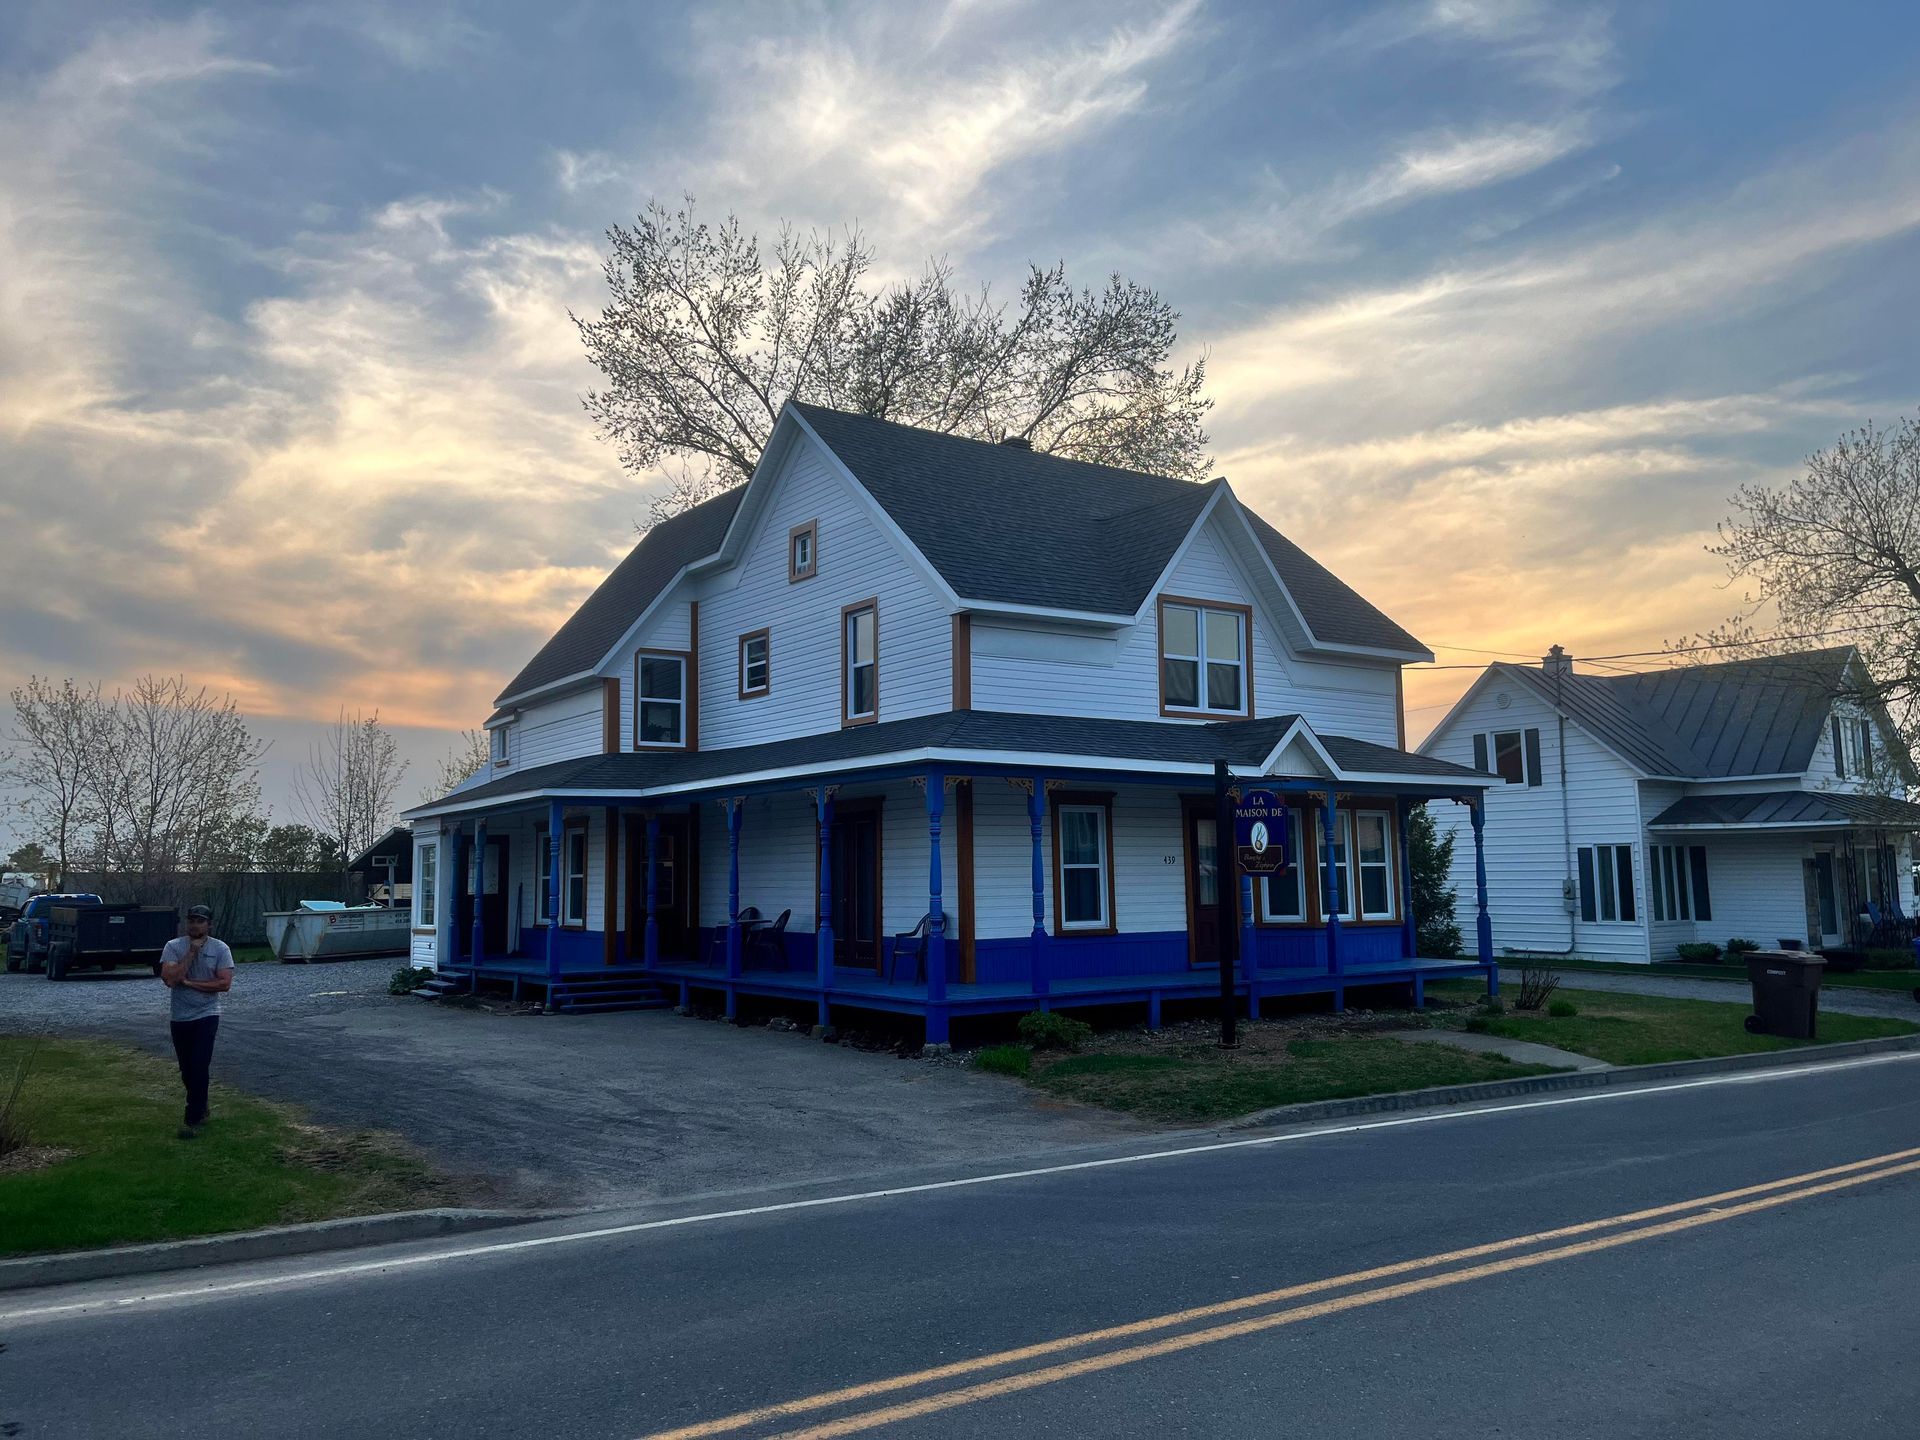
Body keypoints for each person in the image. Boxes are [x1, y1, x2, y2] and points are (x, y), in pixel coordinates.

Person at [158, 904, 234, 1139]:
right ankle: (202, 1105)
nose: (195, 925)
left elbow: (224, 984)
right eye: (192, 920)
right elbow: (170, 980)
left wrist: (191, 984)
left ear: (209, 925)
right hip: (180, 1016)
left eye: (200, 921)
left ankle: (192, 1118)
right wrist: (191, 953)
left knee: (200, 1065)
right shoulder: (173, 946)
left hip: (207, 1015)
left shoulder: (221, 948)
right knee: (187, 1069)